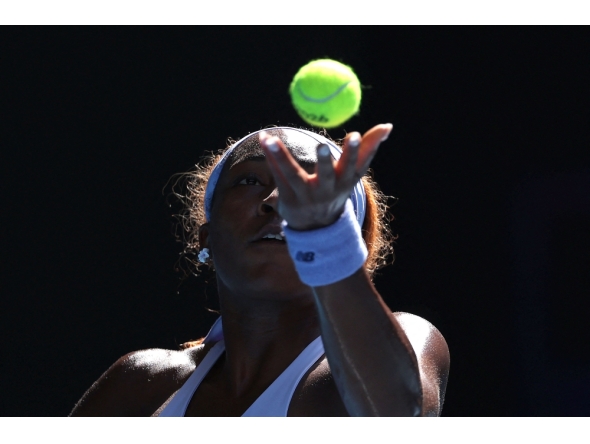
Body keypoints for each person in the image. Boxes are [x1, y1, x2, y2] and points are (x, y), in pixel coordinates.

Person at [70, 124, 450, 417]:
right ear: (206, 237)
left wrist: (323, 237)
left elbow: (399, 415)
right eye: (250, 181)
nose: (276, 201)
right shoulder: (140, 382)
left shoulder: (412, 336)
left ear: (352, 244)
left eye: (310, 189)